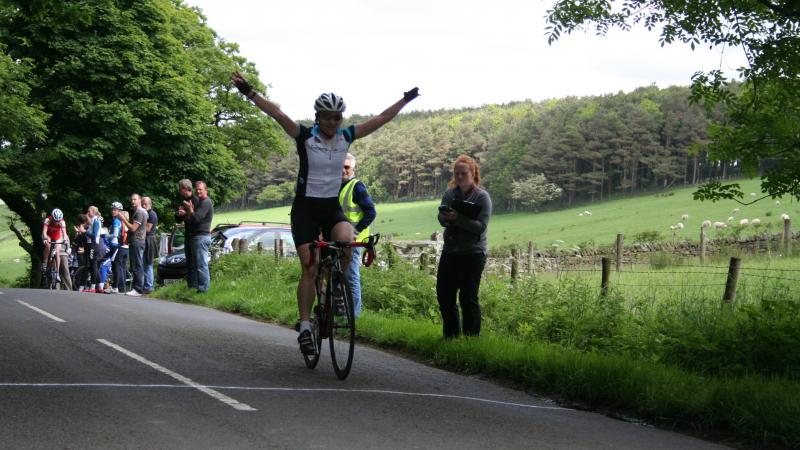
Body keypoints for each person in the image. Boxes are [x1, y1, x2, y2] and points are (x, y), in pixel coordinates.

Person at [232, 70, 418, 355]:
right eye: (328, 116)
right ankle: (306, 325)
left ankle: (338, 290)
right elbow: (278, 115)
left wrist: (403, 101)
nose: (333, 122)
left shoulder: (345, 137)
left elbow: (380, 120)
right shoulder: (305, 136)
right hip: (305, 209)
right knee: (309, 267)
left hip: (331, 207)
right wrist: (249, 92)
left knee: (347, 241)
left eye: (337, 117)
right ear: (318, 117)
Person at [436, 155, 492, 338]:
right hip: (450, 251)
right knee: (445, 295)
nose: (459, 177)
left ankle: (471, 339)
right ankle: (451, 337)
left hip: (473, 254)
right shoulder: (450, 194)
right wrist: (445, 217)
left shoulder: (482, 197)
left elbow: (480, 227)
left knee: (468, 298)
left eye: (463, 173)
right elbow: (441, 218)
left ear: (473, 172)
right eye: (456, 173)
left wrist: (458, 219)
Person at [339, 153, 376, 318]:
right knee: (337, 277)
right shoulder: (335, 186)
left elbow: (371, 212)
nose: (342, 170)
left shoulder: (357, 186)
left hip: (353, 243)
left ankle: (354, 316)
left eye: (346, 167)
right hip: (336, 241)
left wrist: (354, 233)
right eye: (340, 166)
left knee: (351, 277)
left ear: (353, 169)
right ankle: (340, 313)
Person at [181, 181, 214, 293]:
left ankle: (203, 289)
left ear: (206, 190)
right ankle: (193, 288)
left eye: (200, 189)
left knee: (201, 264)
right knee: (193, 265)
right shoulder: (198, 202)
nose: (198, 191)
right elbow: (190, 219)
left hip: (201, 237)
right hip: (195, 236)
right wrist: (184, 213)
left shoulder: (206, 202)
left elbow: (196, 219)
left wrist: (190, 210)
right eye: (197, 189)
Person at [118, 193, 148, 296]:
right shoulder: (140, 212)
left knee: (137, 266)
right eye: (132, 199)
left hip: (137, 241)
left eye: (135, 199)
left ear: (140, 200)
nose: (133, 201)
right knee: (135, 265)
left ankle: (138, 289)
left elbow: (133, 228)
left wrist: (123, 219)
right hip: (136, 241)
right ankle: (136, 288)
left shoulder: (139, 212)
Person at [175, 179, 198, 289]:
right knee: (189, 263)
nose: (179, 191)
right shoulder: (183, 201)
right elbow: (179, 219)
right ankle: (190, 287)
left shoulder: (196, 200)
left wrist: (187, 212)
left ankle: (195, 286)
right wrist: (178, 214)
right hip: (187, 235)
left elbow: (196, 218)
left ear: (185, 188)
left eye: (180, 189)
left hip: (195, 235)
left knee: (195, 263)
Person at [41, 208, 69, 283]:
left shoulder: (62, 222)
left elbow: (64, 233)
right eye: (55, 221)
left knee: (57, 252)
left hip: (57, 236)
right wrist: (45, 239)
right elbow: (44, 232)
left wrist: (65, 240)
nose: (56, 223)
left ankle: (57, 273)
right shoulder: (47, 220)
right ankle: (44, 263)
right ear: (52, 218)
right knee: (48, 246)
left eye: (58, 221)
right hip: (48, 235)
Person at [85, 206, 104, 293]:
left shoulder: (95, 220)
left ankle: (93, 287)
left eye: (89, 211)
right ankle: (100, 286)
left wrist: (85, 232)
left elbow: (95, 235)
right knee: (95, 266)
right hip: (95, 245)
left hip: (94, 245)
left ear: (93, 212)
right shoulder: (94, 220)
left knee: (93, 266)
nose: (88, 213)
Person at [142, 196, 158, 294]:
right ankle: (146, 285)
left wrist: (138, 225)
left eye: (145, 203)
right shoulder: (146, 213)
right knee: (144, 264)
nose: (143, 205)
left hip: (149, 240)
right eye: (142, 203)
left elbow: (148, 229)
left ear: (149, 204)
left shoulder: (151, 214)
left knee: (148, 264)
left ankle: (149, 286)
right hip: (146, 239)